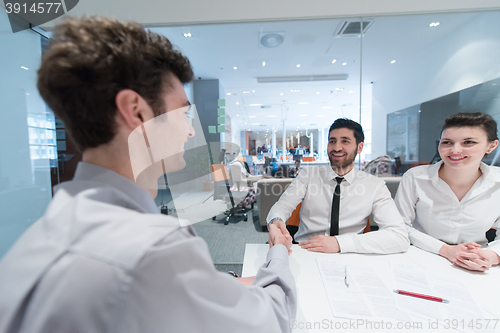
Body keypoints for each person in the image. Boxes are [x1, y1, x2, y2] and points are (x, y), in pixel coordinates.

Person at [0, 16, 295, 333]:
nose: (191, 128)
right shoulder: (155, 249)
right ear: (137, 111)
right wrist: (278, 252)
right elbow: (272, 321)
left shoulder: (41, 235)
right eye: (183, 113)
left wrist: (215, 285)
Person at [267, 118, 409, 254]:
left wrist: (339, 243)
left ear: (359, 147)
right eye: (332, 141)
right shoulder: (308, 175)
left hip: (352, 253)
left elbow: (399, 237)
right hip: (306, 250)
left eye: (345, 141)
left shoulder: (375, 186)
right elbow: (283, 205)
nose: (336, 147)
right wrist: (276, 220)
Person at [395, 112, 500, 272]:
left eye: (468, 142)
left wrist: (491, 256)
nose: (455, 150)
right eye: (447, 142)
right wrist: (446, 250)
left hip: (478, 263)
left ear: (491, 146)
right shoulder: (416, 177)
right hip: (421, 256)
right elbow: (399, 226)